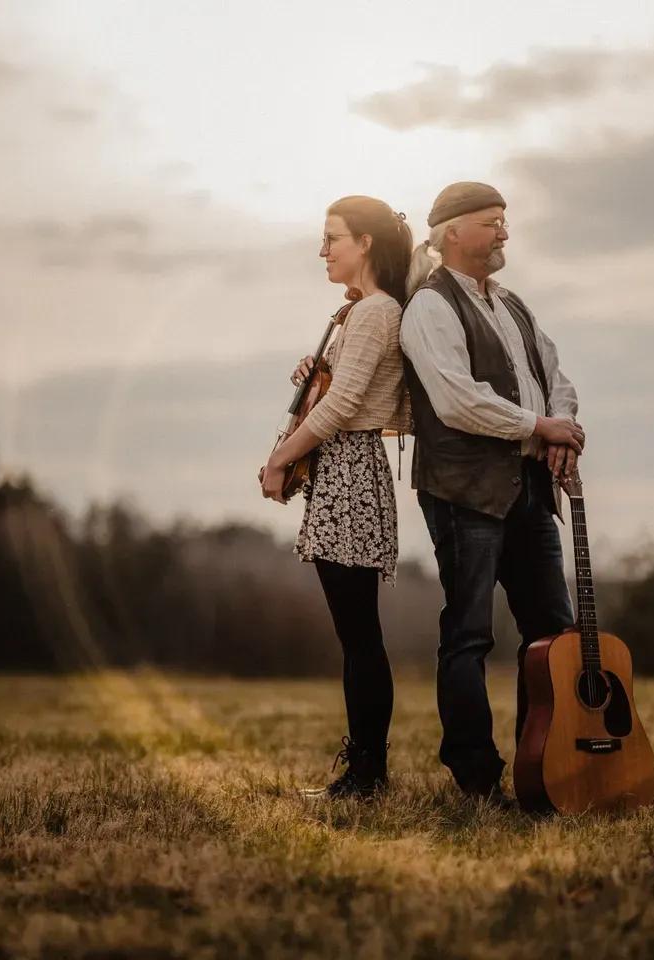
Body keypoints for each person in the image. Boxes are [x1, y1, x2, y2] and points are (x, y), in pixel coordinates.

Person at [400, 181, 585, 806]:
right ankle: (477, 777)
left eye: (505, 221)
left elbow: (555, 379)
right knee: (470, 634)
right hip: (465, 493)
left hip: (530, 489)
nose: (504, 232)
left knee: (555, 640)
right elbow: (456, 401)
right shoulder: (429, 306)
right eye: (491, 222)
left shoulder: (513, 304)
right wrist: (538, 426)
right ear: (452, 232)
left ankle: (549, 765)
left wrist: (561, 429)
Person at [258, 195, 412, 799]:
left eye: (332, 238)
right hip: (344, 473)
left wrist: (280, 458)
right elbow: (341, 389)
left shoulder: (374, 312)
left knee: (359, 638)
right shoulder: (356, 315)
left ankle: (368, 773)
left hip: (349, 471)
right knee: (357, 636)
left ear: (365, 243)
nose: (323, 250)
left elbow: (346, 407)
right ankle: (365, 768)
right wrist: (317, 372)